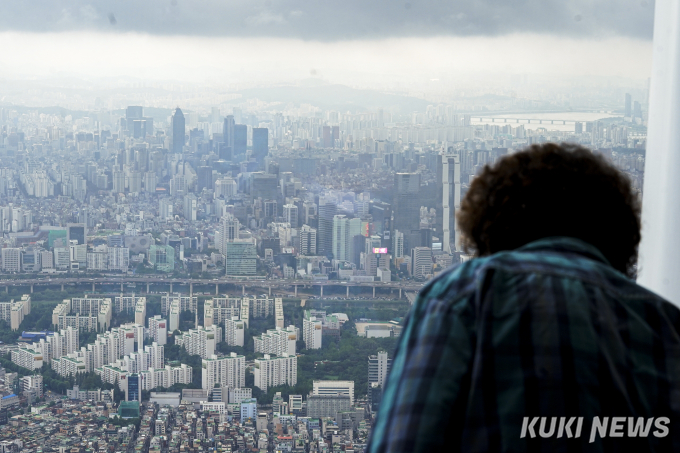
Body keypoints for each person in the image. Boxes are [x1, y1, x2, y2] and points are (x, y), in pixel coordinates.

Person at [367, 143, 680, 452]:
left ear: (489, 227)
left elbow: (403, 442)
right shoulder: (665, 324)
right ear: (620, 235)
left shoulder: (462, 297)